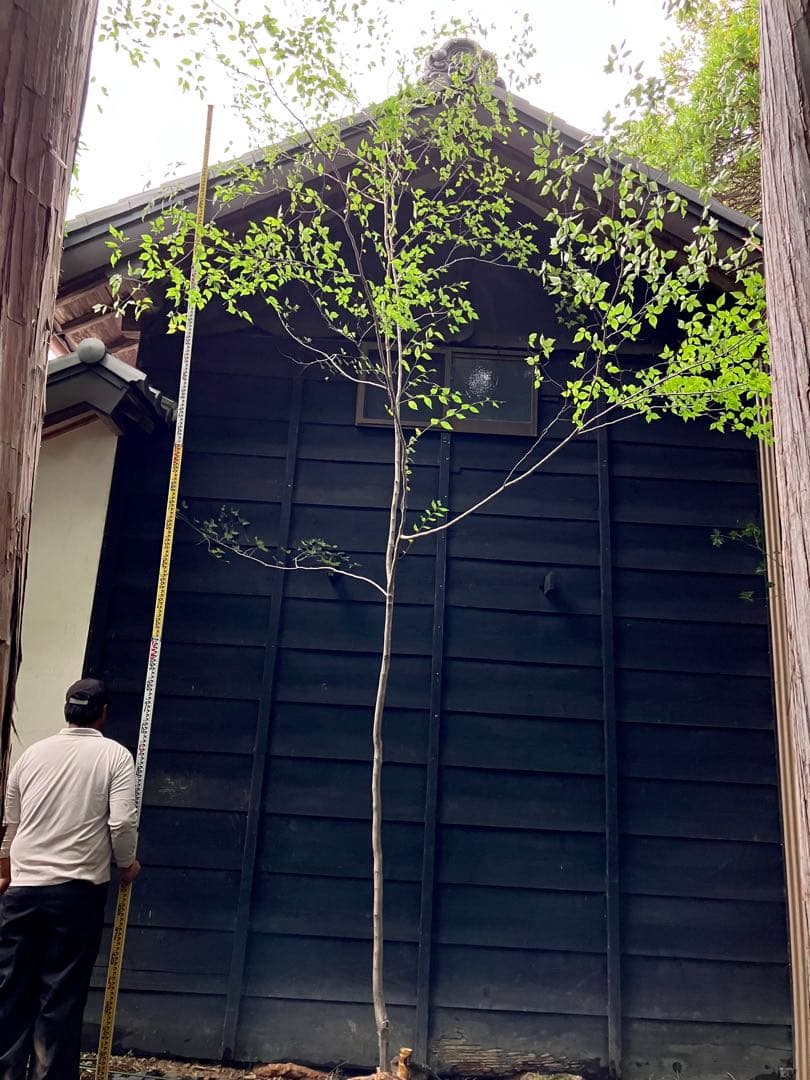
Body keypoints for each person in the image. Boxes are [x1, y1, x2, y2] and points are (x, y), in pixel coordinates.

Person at [0, 677, 140, 1080]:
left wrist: (6, 873)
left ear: (67, 710)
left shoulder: (31, 755)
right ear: (103, 714)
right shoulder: (114, 756)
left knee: (11, 991)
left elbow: (11, 825)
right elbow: (121, 823)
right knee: (60, 997)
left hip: (23, 890)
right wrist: (126, 864)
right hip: (75, 894)